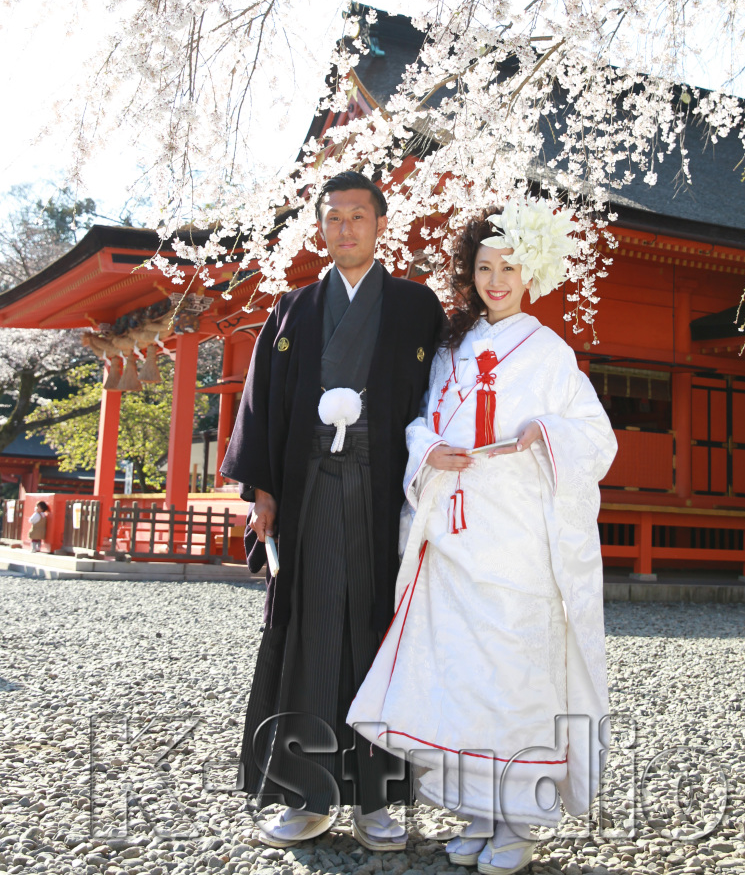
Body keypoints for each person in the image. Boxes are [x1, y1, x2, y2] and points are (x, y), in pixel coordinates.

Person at [348, 199, 617, 875]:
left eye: (509, 268)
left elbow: (595, 436)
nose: (496, 280)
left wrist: (545, 434)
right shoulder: (453, 347)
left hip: (518, 536)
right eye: (484, 267)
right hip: (457, 531)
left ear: (532, 275)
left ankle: (519, 821)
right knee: (462, 674)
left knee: (514, 672)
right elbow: (421, 422)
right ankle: (477, 810)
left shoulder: (550, 352)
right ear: (470, 274)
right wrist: (429, 447)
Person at [221, 171, 446, 850]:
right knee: (314, 631)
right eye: (333, 218)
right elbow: (259, 409)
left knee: (380, 631)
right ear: (320, 227)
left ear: (381, 225)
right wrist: (261, 490)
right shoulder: (292, 311)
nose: (345, 228)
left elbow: (446, 392)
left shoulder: (414, 306)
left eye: (358, 216)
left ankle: (378, 801)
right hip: (312, 486)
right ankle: (310, 795)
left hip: (385, 490)